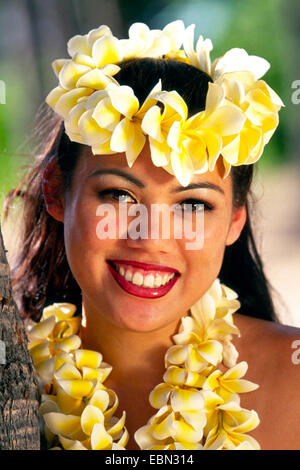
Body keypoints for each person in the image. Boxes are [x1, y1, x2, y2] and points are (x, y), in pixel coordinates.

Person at [3, 21, 300, 450]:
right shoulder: (10, 381)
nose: (152, 237)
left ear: (235, 220)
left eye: (193, 205)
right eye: (119, 195)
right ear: (55, 191)